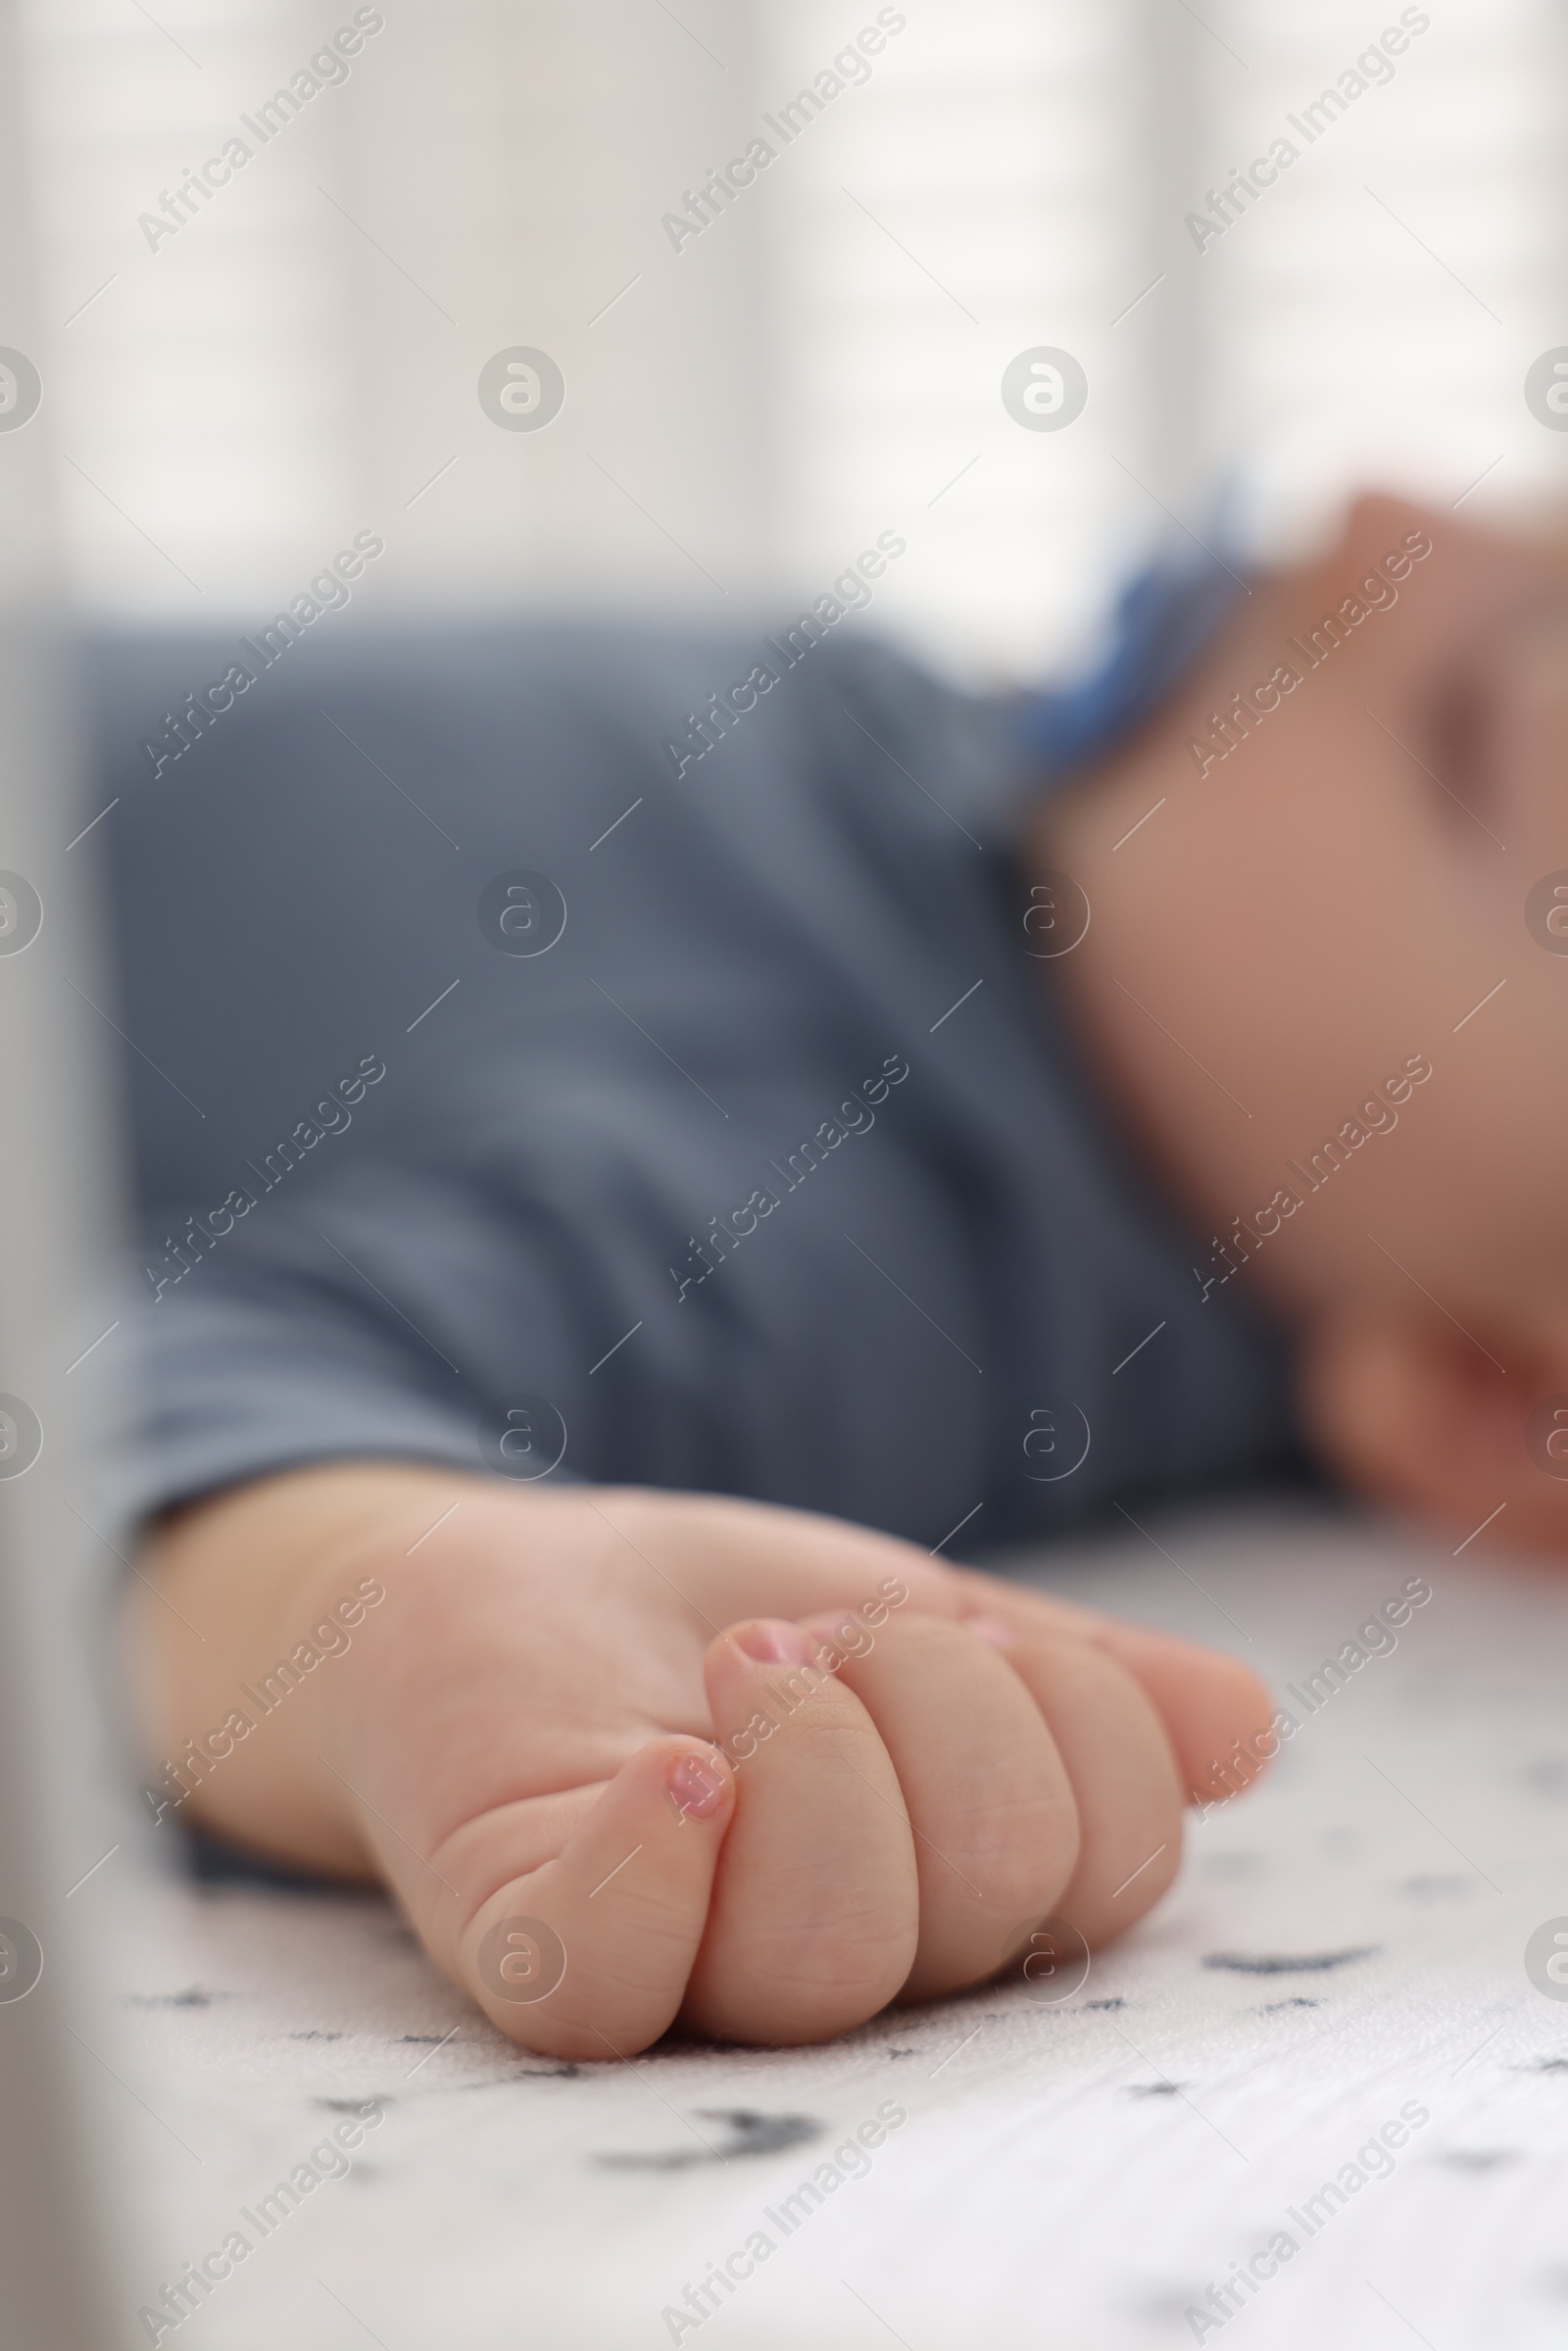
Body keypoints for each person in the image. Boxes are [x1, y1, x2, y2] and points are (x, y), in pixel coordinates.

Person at [100, 489, 1568, 2057]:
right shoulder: (962, 794)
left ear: (1489, 1400)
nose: (1374, 515)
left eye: (1458, 748)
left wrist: (392, 1604)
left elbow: (156, 1407)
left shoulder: (890, 1220)